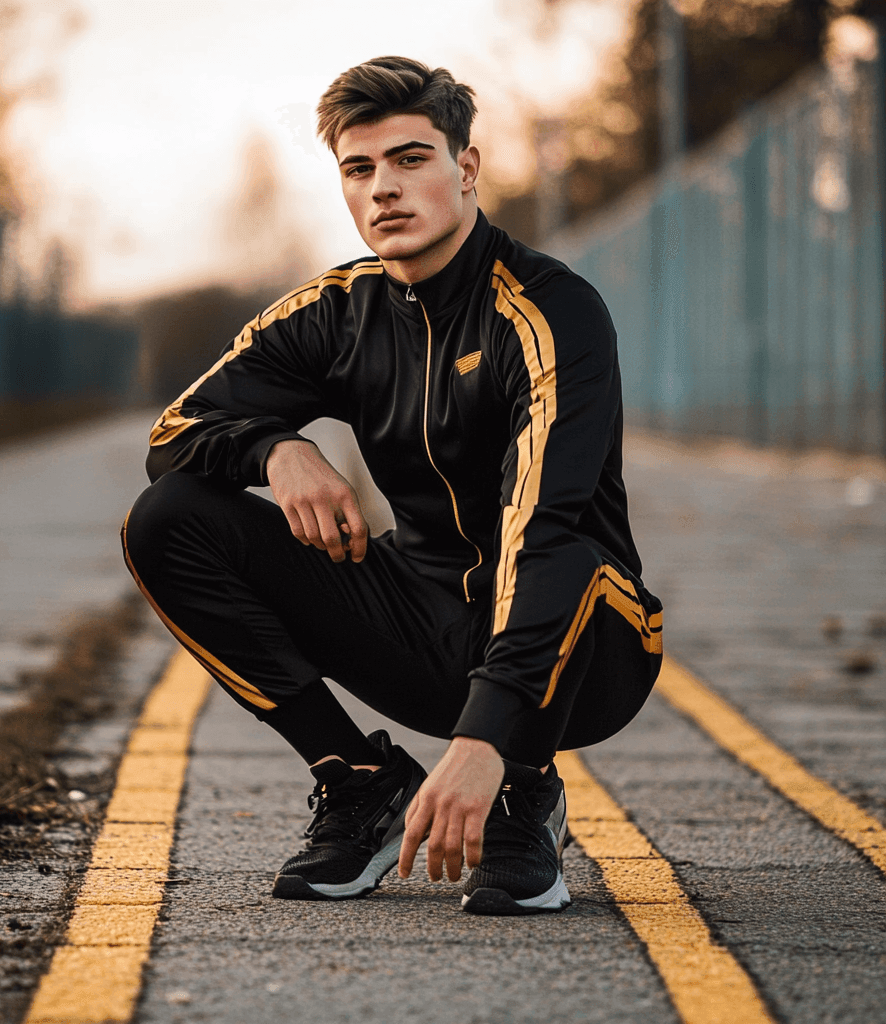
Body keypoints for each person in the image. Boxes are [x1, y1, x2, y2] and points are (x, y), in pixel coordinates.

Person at [121, 55, 663, 916]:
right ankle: (363, 782)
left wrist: (485, 741)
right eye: (360, 168)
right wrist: (274, 450)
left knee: (569, 556)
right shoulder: (338, 312)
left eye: (411, 159)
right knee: (168, 520)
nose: (384, 189)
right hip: (426, 622)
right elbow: (175, 434)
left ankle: (525, 790)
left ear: (466, 169)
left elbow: (548, 528)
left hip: (585, 649)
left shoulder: (553, 310)